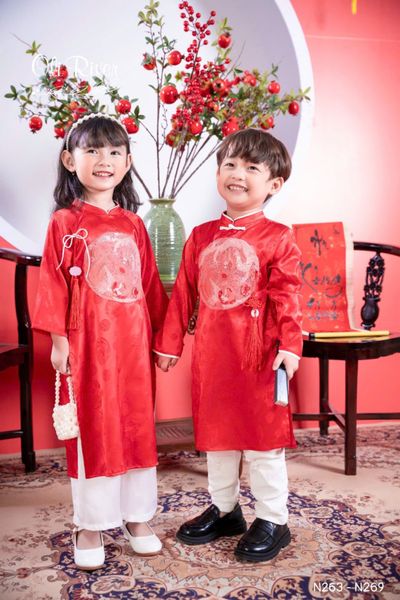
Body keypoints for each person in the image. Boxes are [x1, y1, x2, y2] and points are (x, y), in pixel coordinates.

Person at [154, 128, 302, 563]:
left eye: (252, 168)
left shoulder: (278, 237)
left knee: (262, 442)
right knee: (217, 439)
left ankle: (273, 518)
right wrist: (170, 344)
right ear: (218, 173)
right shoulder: (200, 236)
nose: (238, 174)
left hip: (260, 357)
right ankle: (225, 510)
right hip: (213, 358)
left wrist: (290, 346)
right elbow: (183, 294)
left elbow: (288, 296)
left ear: (274, 184)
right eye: (230, 165)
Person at [33, 113, 168, 570]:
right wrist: (59, 341)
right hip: (87, 343)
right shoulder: (64, 222)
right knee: (95, 427)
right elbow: (52, 284)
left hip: (133, 347)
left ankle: (136, 517)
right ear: (70, 160)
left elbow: (150, 286)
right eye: (92, 151)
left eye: (113, 152)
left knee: (135, 425)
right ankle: (89, 524)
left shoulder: (134, 224)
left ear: (127, 163)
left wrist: (162, 340)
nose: (103, 160)